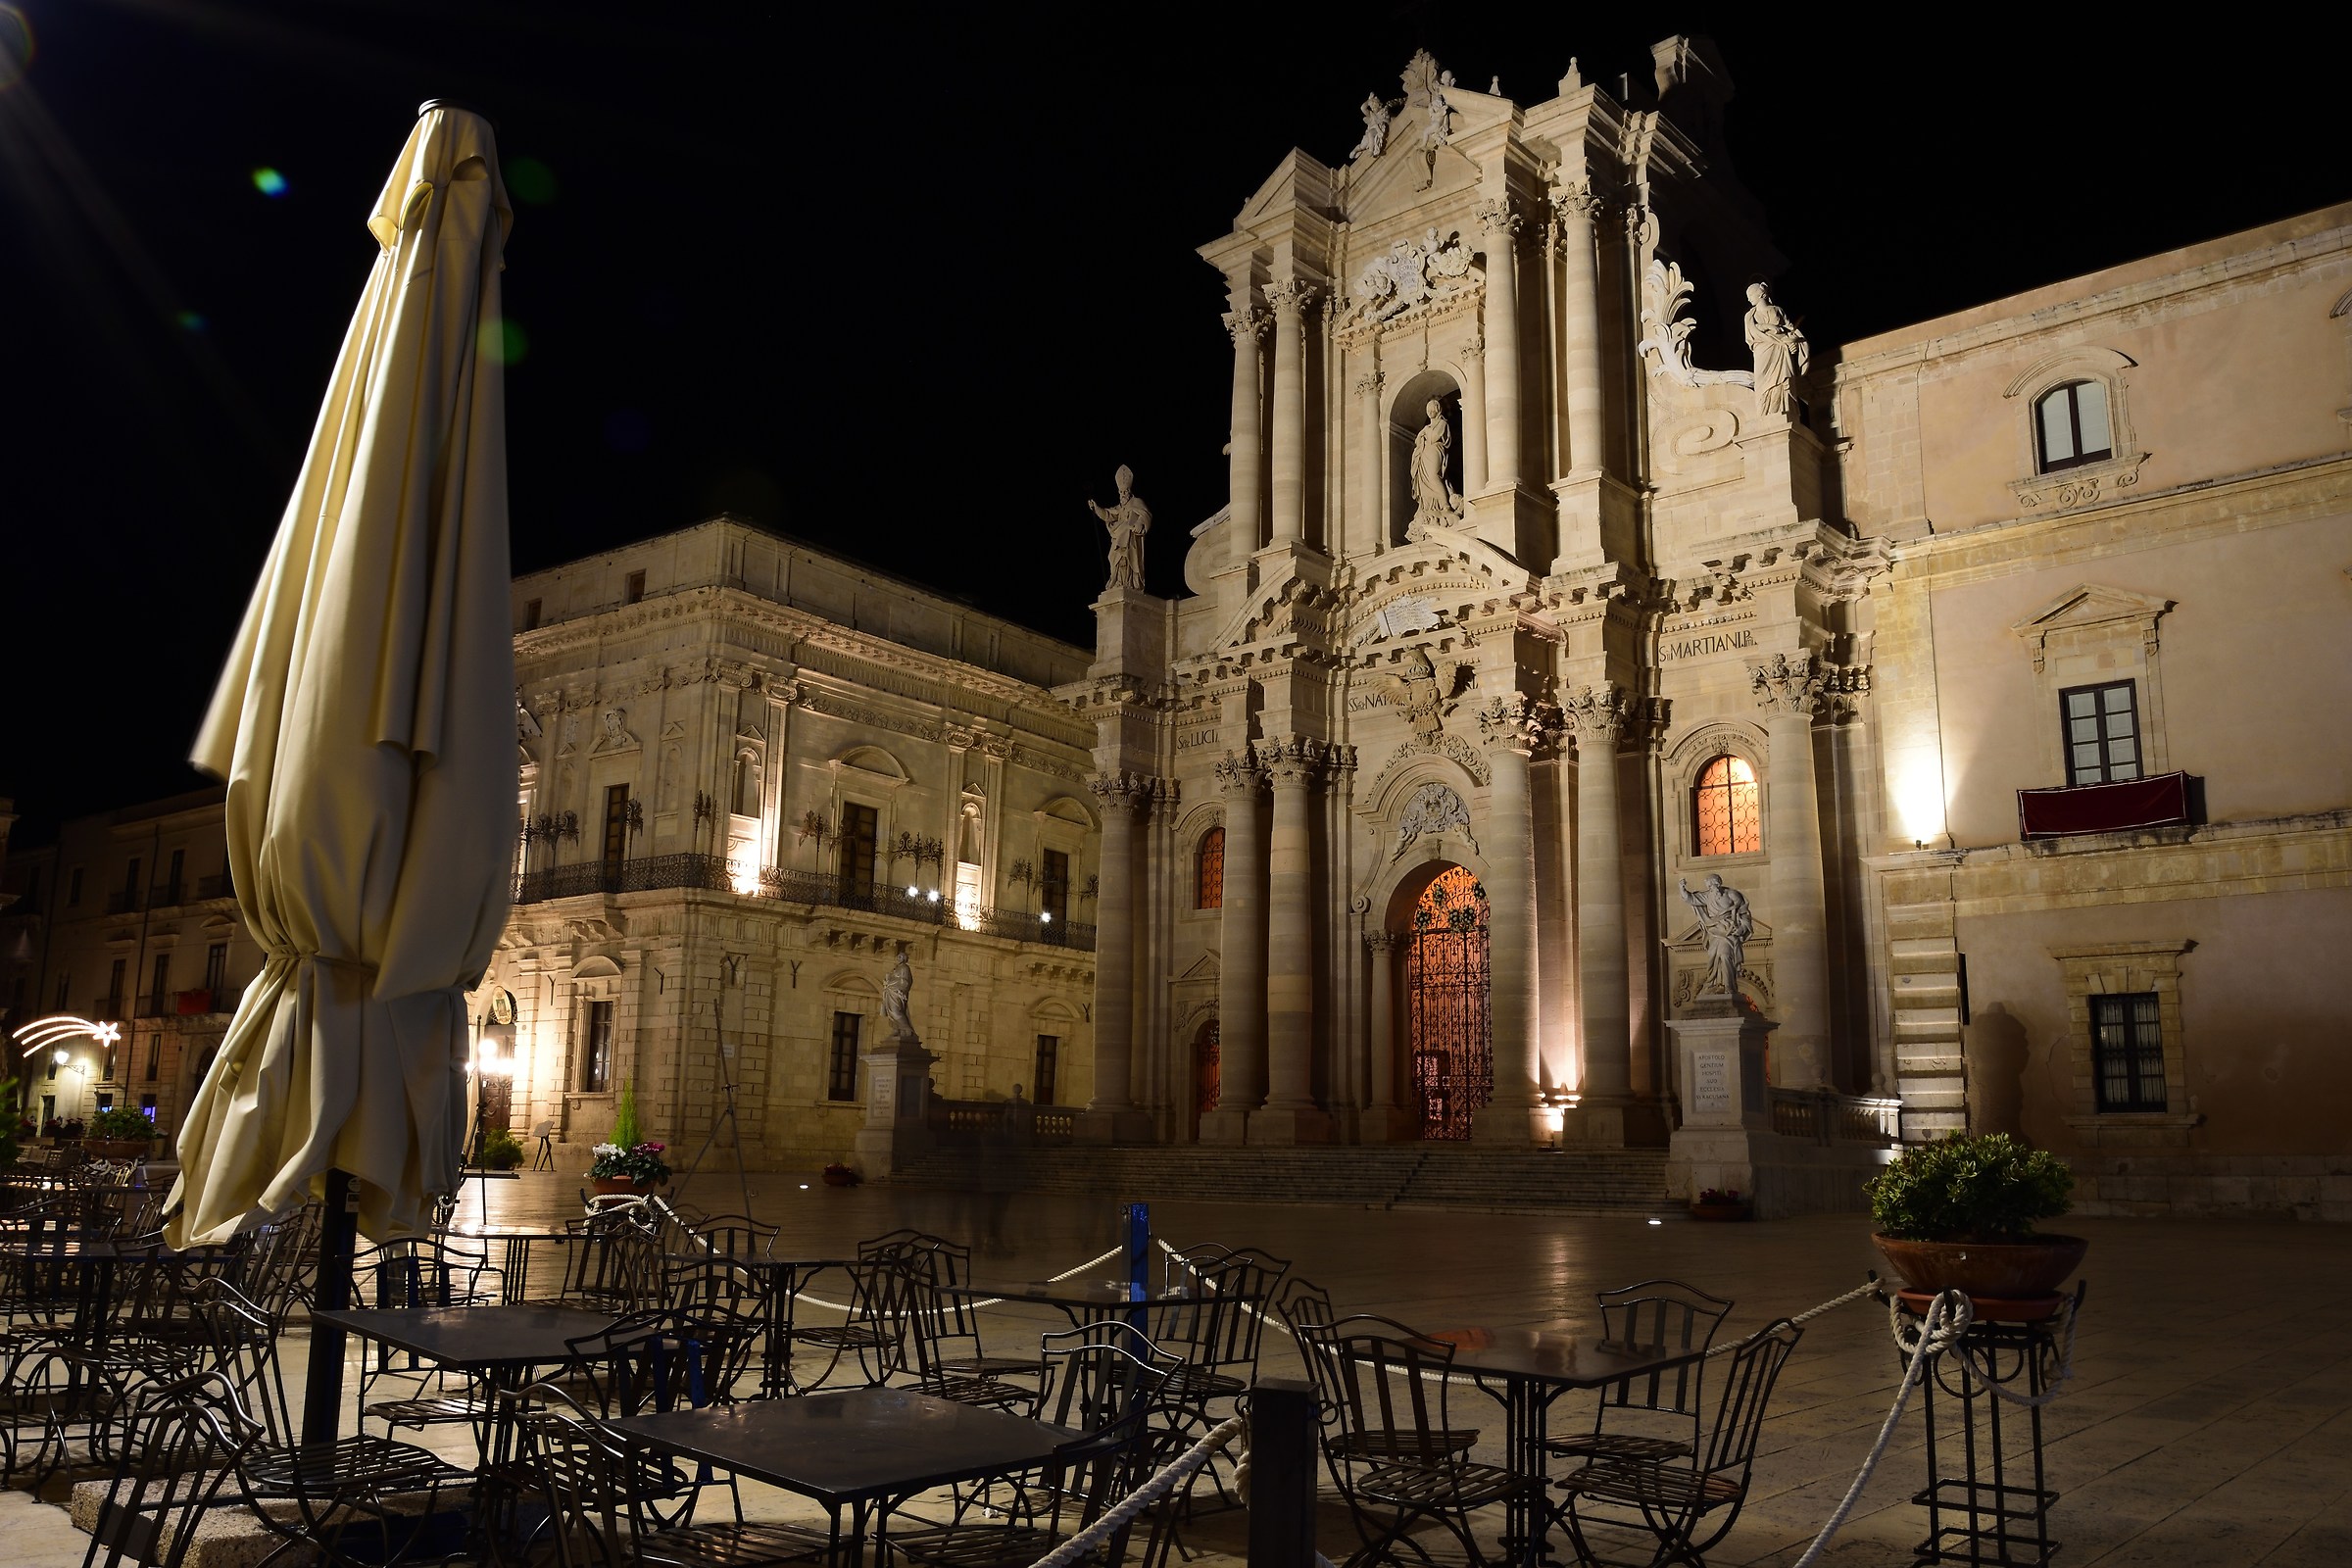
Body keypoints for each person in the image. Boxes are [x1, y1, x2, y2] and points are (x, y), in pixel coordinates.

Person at [1680, 874, 1753, 1000]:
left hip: (1729, 932)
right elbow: (1690, 899)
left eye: (1711, 885)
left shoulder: (1732, 894)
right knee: (1713, 959)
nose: (1710, 888)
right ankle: (1714, 984)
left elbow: (1744, 913)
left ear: (1717, 883)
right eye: (1708, 886)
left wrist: (1741, 928)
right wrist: (1682, 888)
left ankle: (1728, 987)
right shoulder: (1708, 896)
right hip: (1714, 931)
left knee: (1725, 956)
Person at [1743, 282, 1810, 416]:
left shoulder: (1777, 310)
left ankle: (1784, 412)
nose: (1749, 298)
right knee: (1762, 383)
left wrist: (1793, 344)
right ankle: (1765, 413)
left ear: (1761, 294)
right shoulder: (1749, 316)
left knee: (1784, 381)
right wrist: (1768, 326)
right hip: (1763, 350)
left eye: (1751, 294)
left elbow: (1791, 330)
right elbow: (1750, 334)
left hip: (1782, 349)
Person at [1087, 466, 1152, 591]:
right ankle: (1118, 581)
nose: (1123, 494)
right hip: (1119, 538)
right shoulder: (1118, 508)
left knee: (1127, 557)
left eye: (1125, 492)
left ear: (1129, 492)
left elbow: (1146, 515)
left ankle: (1129, 582)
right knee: (1113, 557)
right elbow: (1107, 515)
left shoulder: (1137, 502)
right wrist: (1096, 508)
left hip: (1131, 539)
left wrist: (1139, 523)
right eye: (1121, 492)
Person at [1408, 399, 1461, 528]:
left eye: (1433, 409)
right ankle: (1429, 506)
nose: (1430, 411)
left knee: (1433, 476)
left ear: (1438, 410)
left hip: (1435, 450)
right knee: (1423, 480)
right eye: (1428, 410)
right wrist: (1423, 434)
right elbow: (1417, 441)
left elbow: (1433, 437)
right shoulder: (1428, 427)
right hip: (1424, 454)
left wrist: (1425, 432)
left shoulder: (1441, 423)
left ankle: (1444, 505)